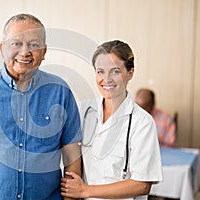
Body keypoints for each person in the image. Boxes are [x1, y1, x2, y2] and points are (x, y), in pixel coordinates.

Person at [0, 13, 82, 199]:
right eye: (16, 43)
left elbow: (72, 158)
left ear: (44, 51)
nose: (25, 51)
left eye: (34, 45)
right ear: (3, 48)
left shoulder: (60, 91)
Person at [61, 40, 163, 199]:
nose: (106, 79)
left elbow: (142, 184)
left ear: (130, 73)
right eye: (100, 71)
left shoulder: (142, 122)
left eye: (115, 71)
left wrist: (84, 191)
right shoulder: (83, 110)